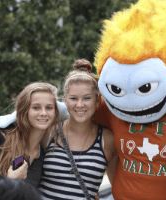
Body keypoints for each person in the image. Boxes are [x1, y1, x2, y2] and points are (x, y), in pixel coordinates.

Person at [39, 59, 116, 200]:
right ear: (65, 100)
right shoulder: (49, 132)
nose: (80, 105)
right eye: (73, 98)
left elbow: (118, 189)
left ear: (97, 100)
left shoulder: (107, 140)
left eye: (87, 98)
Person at [0, 82, 59, 187]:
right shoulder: (2, 139)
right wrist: (10, 182)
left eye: (49, 108)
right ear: (25, 110)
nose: (43, 113)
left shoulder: (44, 154)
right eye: (36, 107)